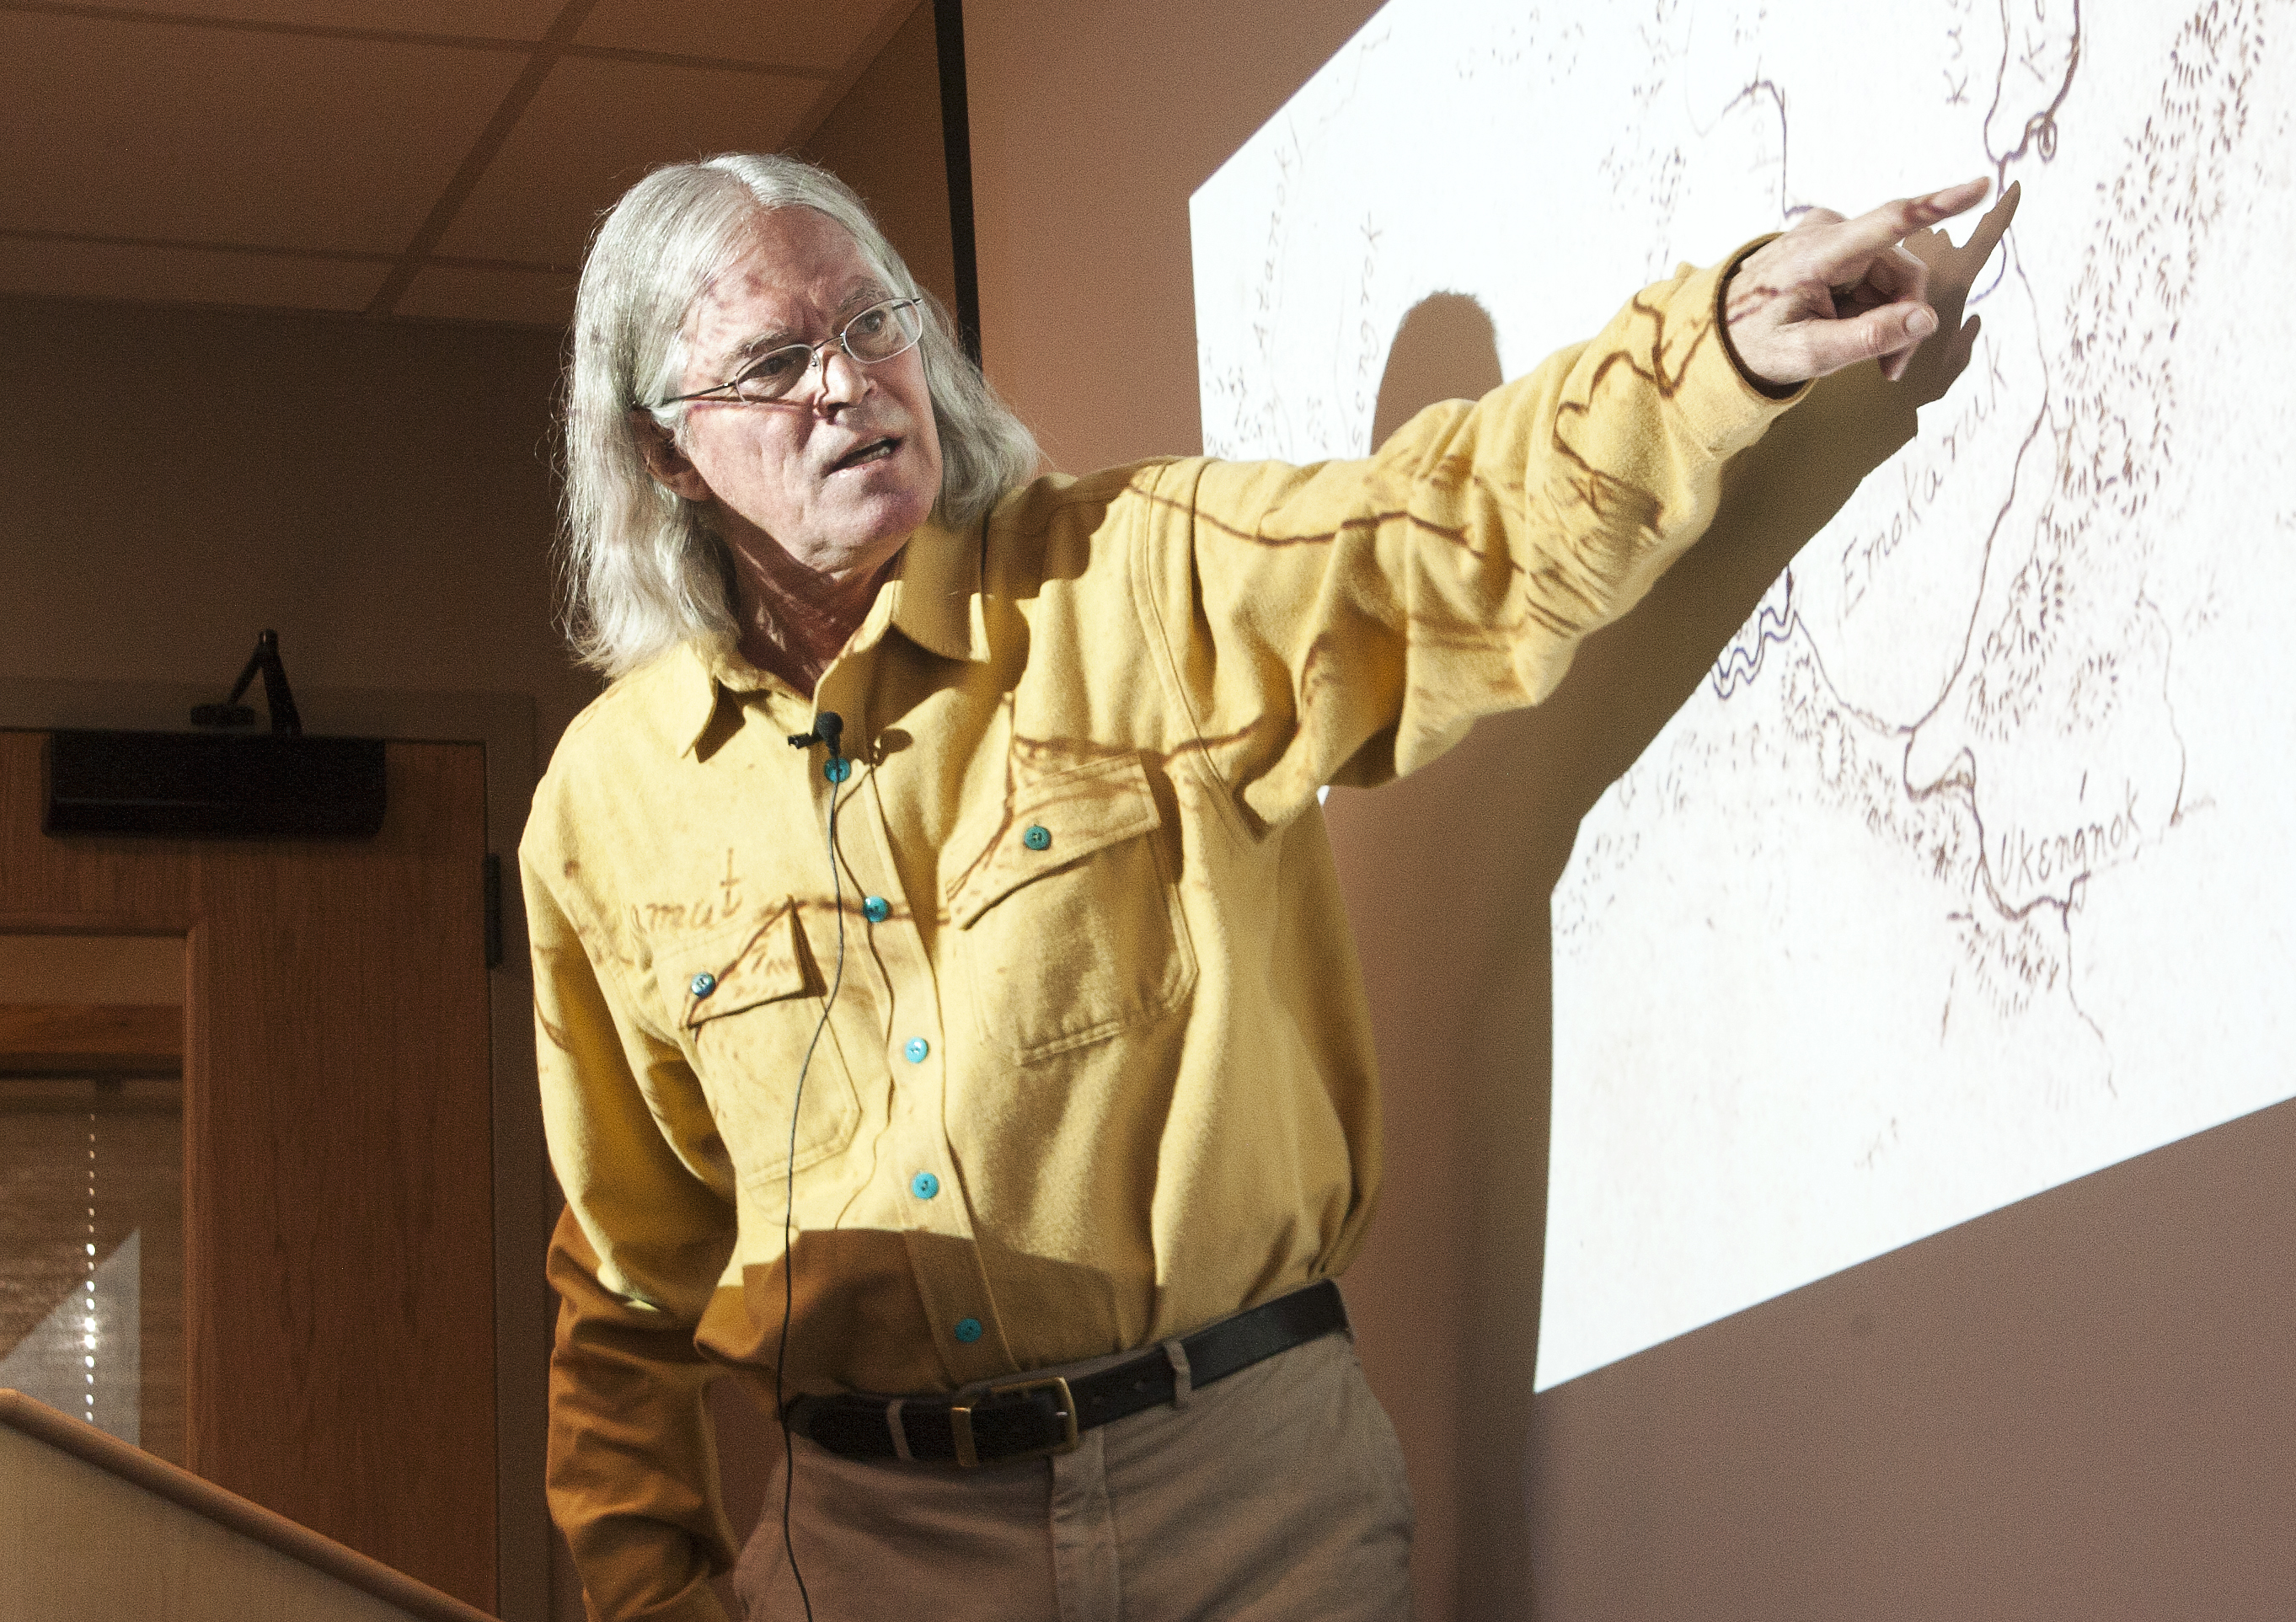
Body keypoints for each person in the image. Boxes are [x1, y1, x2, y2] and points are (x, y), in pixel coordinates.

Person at [522, 151, 1998, 1622]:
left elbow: (1435, 533)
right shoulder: (603, 809)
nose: (845, 386)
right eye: (777, 361)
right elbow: (625, 1286)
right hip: (874, 1554)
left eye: (869, 325)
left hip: (1247, 1507)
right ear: (661, 451)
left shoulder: (1135, 576)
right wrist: (654, 1598)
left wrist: (1713, 349)